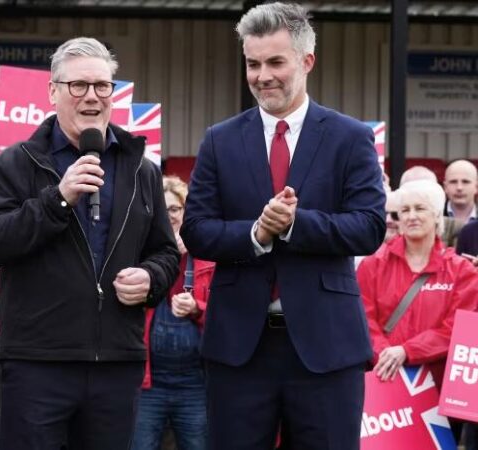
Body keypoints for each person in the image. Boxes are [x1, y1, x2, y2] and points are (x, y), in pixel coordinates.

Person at [180, 3, 386, 449]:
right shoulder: (219, 139)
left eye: (275, 62)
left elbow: (369, 228)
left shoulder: (350, 137)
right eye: (253, 64)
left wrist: (296, 225)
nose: (262, 75)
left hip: (327, 347)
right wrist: (256, 235)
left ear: (306, 61)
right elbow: (195, 229)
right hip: (239, 348)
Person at [0, 37, 179, 450]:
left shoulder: (142, 167)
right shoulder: (16, 162)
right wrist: (58, 200)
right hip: (37, 365)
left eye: (102, 86)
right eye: (78, 86)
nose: (92, 97)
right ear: (53, 91)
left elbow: (166, 252)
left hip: (116, 366)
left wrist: (151, 277)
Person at [358, 180, 478, 442]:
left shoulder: (461, 271)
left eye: (420, 208)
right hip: (385, 381)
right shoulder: (372, 265)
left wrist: (407, 351)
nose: (411, 216)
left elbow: (457, 328)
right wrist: (385, 356)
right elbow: (362, 318)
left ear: (436, 215)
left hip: (438, 389)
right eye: (405, 210)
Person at [132, 175, 214, 450]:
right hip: (148, 384)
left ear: (185, 212)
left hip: (196, 384)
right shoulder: (137, 255)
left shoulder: (209, 258)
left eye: (174, 209)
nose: (169, 216)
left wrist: (197, 309)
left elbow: (228, 317)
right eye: (162, 210)